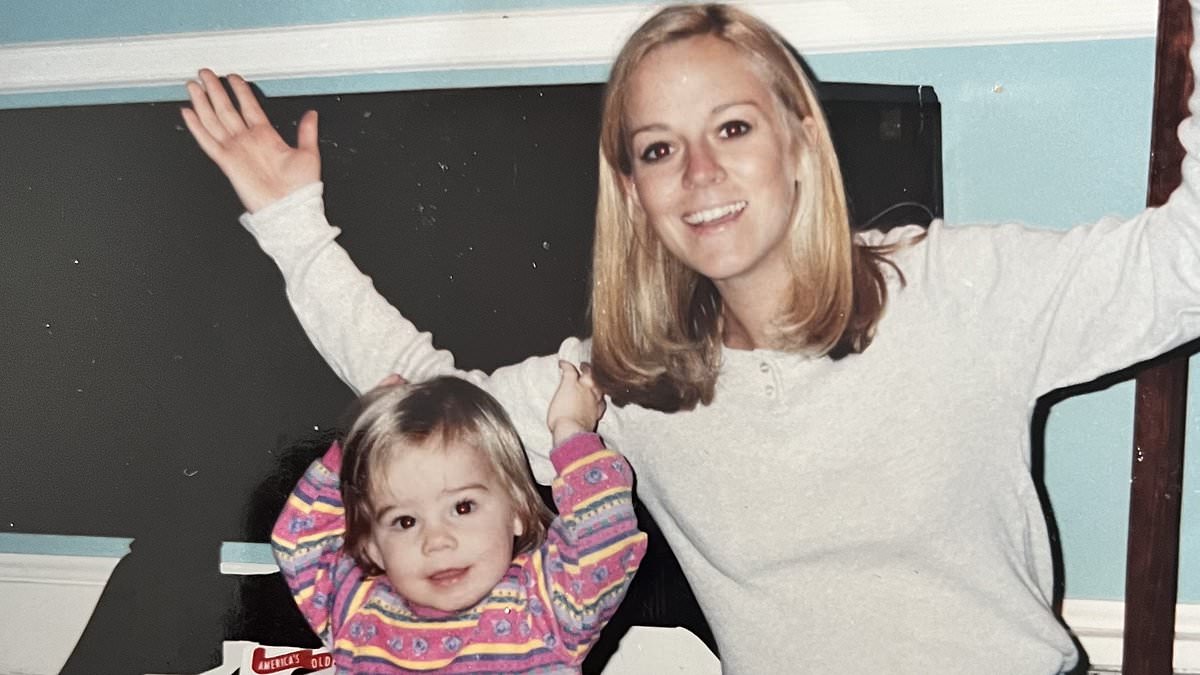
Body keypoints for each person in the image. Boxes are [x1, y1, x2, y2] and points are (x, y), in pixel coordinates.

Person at [182, 2, 1200, 672]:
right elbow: (429, 410)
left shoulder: (960, 288)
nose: (700, 174)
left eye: (734, 128)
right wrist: (292, 224)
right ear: (633, 191)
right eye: (660, 149)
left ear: (799, 139)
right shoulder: (633, 379)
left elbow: (1180, 272)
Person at [272, 368, 646, 672]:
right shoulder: (357, 609)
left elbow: (604, 537)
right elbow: (300, 543)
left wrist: (571, 429)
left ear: (517, 511)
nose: (437, 541)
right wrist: (352, 442)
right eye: (405, 521)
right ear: (372, 546)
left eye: (463, 507)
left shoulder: (545, 606)